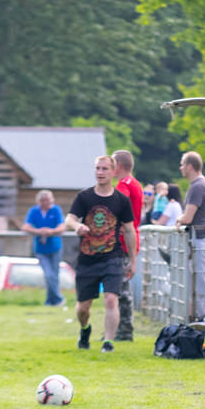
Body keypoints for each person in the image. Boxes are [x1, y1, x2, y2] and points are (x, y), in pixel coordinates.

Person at [64, 155, 137, 353]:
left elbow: (130, 230)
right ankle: (85, 329)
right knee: (83, 308)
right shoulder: (84, 197)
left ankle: (108, 342)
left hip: (113, 257)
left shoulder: (121, 200)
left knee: (111, 299)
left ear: (113, 172)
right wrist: (77, 225)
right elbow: (68, 220)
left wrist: (133, 260)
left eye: (105, 169)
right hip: (87, 258)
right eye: (97, 168)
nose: (100, 172)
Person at [176, 151, 205, 322]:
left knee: (203, 281)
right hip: (200, 238)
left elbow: (187, 217)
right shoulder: (200, 184)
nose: (181, 167)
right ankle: (203, 317)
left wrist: (178, 220)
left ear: (190, 166)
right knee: (199, 280)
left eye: (183, 164)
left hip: (200, 239)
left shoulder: (198, 186)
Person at [112, 150, 143, 342]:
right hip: (130, 239)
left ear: (119, 165)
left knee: (121, 288)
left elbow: (117, 207)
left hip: (124, 241)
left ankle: (124, 330)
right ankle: (121, 328)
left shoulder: (124, 185)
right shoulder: (135, 183)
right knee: (122, 287)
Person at [22, 190, 66, 306]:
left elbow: (61, 227)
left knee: (54, 275)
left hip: (55, 247)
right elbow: (26, 227)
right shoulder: (34, 211)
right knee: (48, 274)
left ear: (51, 200)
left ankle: (50, 301)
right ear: (39, 201)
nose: (45, 203)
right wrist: (39, 231)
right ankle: (58, 298)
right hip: (41, 249)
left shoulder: (56, 210)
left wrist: (50, 232)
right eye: (42, 200)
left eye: (47, 200)